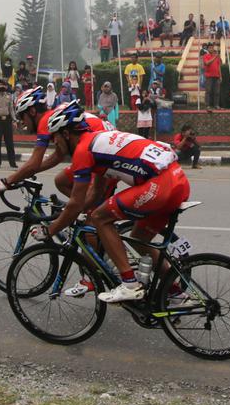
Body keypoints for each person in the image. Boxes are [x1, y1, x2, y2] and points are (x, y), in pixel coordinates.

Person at [32, 105, 191, 303]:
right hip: (178, 181)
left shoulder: (83, 150)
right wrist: (77, 212)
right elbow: (95, 192)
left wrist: (50, 230)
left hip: (159, 185)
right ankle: (174, 292)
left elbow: (76, 201)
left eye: (55, 139)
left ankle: (129, 284)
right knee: (139, 237)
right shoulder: (97, 140)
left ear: (66, 133)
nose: (55, 145)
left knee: (100, 218)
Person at [0, 87, 115, 199]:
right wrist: (24, 173)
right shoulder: (53, 117)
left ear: (32, 111)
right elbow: (58, 155)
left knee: (90, 208)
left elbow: (34, 163)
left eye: (22, 117)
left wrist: (7, 181)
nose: (22, 122)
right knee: (61, 181)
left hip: (106, 155)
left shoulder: (45, 122)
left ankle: (91, 214)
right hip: (102, 148)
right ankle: (83, 211)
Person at [0, 83, 18, 168]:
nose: (2, 87)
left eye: (3, 86)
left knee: (10, 143)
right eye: (0, 85)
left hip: (7, 121)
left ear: (6, 87)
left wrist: (14, 120)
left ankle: (12, 163)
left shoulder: (9, 96)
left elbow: (11, 109)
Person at [201, 45, 222, 109]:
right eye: (210, 48)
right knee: (208, 91)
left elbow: (219, 67)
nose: (211, 49)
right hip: (209, 76)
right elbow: (207, 63)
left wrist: (220, 76)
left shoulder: (216, 57)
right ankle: (207, 105)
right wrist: (214, 57)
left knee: (217, 92)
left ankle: (216, 105)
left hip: (217, 76)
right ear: (207, 49)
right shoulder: (205, 56)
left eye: (212, 48)